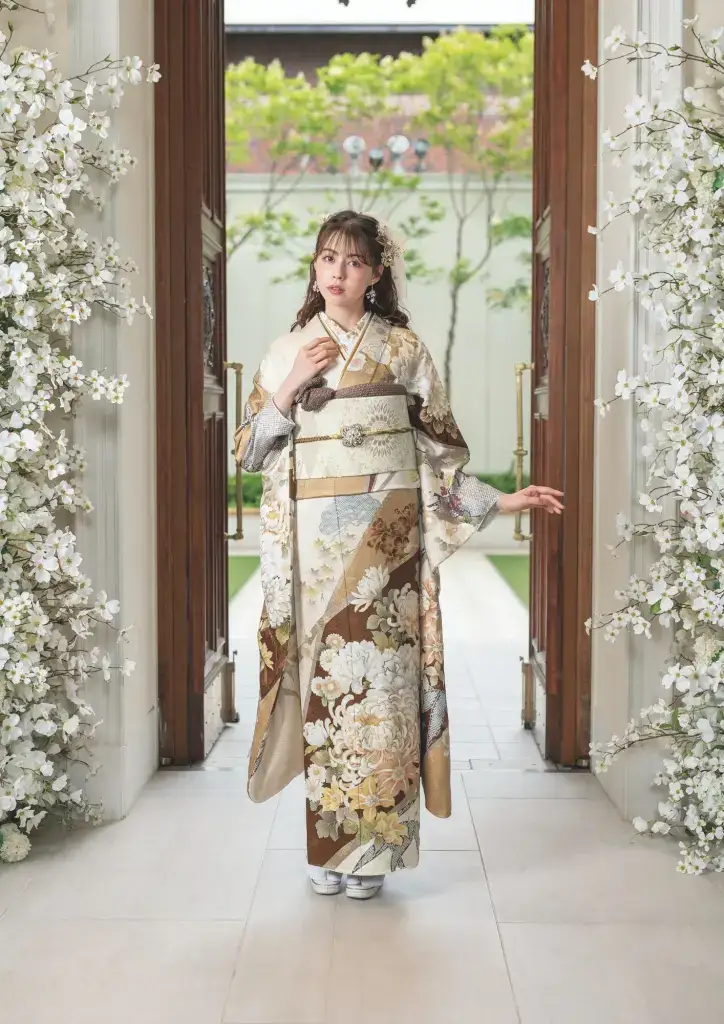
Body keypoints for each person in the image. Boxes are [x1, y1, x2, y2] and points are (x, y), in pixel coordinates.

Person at [234, 210, 563, 900]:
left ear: (377, 274)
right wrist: (290, 385)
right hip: (315, 548)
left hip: (389, 545)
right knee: (330, 691)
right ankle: (328, 849)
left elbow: (438, 453)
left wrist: (501, 500)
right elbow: (249, 452)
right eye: (328, 258)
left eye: (354, 261)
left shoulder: (406, 350)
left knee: (382, 691)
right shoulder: (286, 350)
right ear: (315, 267)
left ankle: (375, 855)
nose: (338, 272)